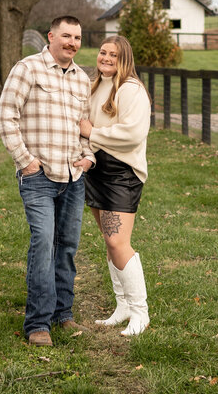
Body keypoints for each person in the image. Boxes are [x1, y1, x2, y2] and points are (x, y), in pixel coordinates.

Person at [0, 15, 95, 347]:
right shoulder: (28, 69)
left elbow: (84, 124)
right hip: (38, 176)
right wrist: (26, 161)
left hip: (73, 176)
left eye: (77, 38)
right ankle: (37, 323)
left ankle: (62, 314)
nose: (72, 43)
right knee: (43, 245)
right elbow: (5, 115)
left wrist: (88, 156)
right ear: (51, 36)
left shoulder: (82, 79)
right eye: (66, 36)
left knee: (66, 248)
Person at [78, 35, 151, 336]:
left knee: (119, 243)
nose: (106, 58)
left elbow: (132, 133)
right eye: (103, 52)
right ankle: (122, 307)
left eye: (114, 55)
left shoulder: (131, 89)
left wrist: (92, 132)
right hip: (97, 169)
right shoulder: (95, 85)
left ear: (125, 59)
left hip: (121, 173)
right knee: (110, 243)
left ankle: (140, 312)